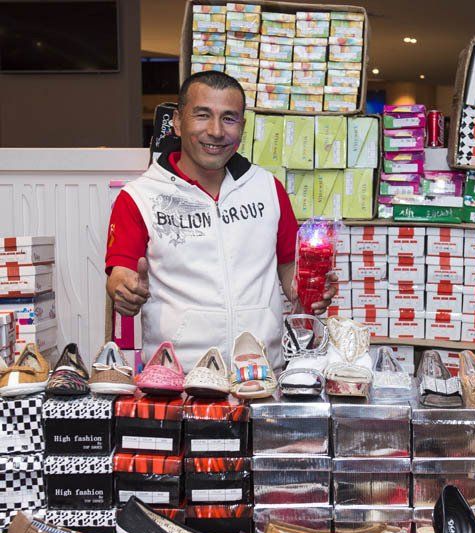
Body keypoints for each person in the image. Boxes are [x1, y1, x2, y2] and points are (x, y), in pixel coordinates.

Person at [105, 71, 337, 372]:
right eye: (202, 115)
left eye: (229, 118)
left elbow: (289, 268)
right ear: (177, 121)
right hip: (178, 379)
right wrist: (126, 292)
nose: (215, 131)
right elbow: (120, 275)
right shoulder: (139, 196)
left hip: (262, 374)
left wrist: (310, 290)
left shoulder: (267, 188)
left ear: (242, 125)